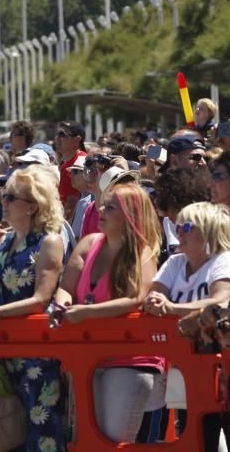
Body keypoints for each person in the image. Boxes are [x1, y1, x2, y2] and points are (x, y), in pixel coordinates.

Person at [0, 167, 67, 450]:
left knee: (42, 432)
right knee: (8, 431)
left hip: (37, 356)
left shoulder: (49, 242)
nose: (1, 201)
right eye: (2, 195)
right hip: (7, 354)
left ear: (32, 206)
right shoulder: (7, 240)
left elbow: (41, 299)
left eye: (10, 197)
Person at [54, 183, 163, 443]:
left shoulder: (142, 252)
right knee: (84, 441)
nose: (101, 210)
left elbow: (136, 299)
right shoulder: (89, 243)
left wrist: (86, 313)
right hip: (87, 356)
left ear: (131, 216)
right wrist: (63, 304)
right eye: (103, 204)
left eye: (110, 207)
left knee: (114, 441)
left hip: (128, 361)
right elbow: (66, 288)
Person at [145, 202, 230, 316]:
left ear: (209, 233)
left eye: (187, 227)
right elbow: (154, 297)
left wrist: (173, 308)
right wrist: (152, 302)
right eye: (178, 227)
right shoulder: (175, 262)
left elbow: (221, 302)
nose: (179, 233)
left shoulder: (226, 260)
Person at [56, 121, 87, 218]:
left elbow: (71, 205)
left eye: (62, 134)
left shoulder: (80, 163)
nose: (57, 138)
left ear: (77, 140)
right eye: (57, 134)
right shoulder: (66, 163)